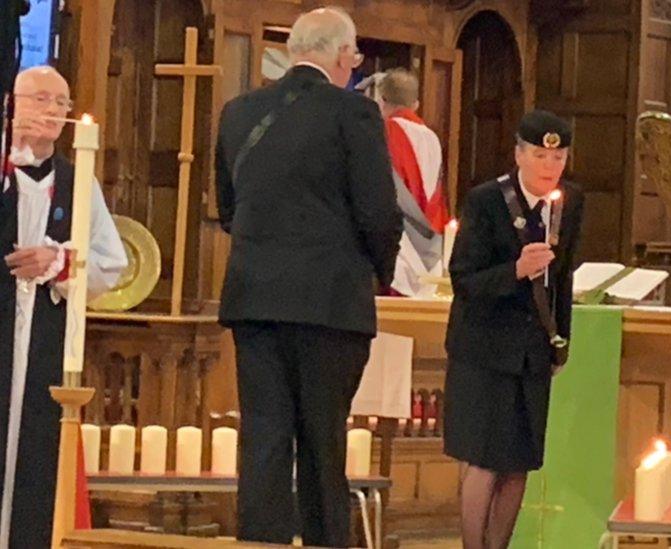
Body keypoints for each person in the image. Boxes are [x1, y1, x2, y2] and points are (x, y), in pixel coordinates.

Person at [214, 7, 402, 547]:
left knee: (265, 440)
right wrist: (379, 272)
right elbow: (377, 210)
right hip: (330, 304)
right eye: (356, 56)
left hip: (253, 299)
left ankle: (261, 542)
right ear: (343, 55)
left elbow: (227, 206)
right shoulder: (355, 114)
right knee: (323, 442)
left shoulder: (238, 111)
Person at [443, 110, 584, 549]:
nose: (550, 166)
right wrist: (516, 270)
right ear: (519, 155)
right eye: (541, 155)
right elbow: (464, 278)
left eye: (558, 157)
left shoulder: (570, 203)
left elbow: (563, 280)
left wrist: (560, 341)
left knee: (518, 462)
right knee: (484, 460)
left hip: (531, 351)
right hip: (483, 348)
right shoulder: (487, 201)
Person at [0, 66, 127, 548]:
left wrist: (60, 261)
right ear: (11, 104)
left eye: (61, 103)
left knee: (35, 459)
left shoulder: (77, 181)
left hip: (44, 341)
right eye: (39, 100)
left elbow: (111, 264)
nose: (52, 111)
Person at [375, 68, 449, 296]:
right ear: (416, 103)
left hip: (400, 242)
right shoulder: (432, 137)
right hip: (431, 234)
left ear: (382, 100)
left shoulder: (384, 132)